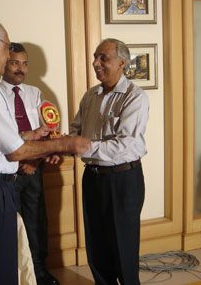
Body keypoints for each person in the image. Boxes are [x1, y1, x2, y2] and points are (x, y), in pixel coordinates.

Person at [0, 18, 90, 285]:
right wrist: (66, 144)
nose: (10, 56)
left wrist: (29, 136)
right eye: (8, 49)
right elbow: (15, 152)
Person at [70, 38, 149, 285]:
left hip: (122, 179)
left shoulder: (135, 97)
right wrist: (62, 144)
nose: (96, 63)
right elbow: (76, 129)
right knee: (96, 246)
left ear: (122, 63)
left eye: (103, 58)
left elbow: (123, 145)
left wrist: (83, 145)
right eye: (95, 57)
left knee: (122, 248)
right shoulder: (90, 95)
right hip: (92, 178)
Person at [0, 43, 59, 285]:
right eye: (15, 63)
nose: (20, 69)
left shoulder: (35, 93)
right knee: (11, 227)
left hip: (34, 170)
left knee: (36, 224)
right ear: (4, 63)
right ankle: (17, 276)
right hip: (7, 172)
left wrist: (34, 161)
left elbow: (46, 131)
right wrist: (21, 160)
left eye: (24, 64)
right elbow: (1, 134)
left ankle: (39, 273)